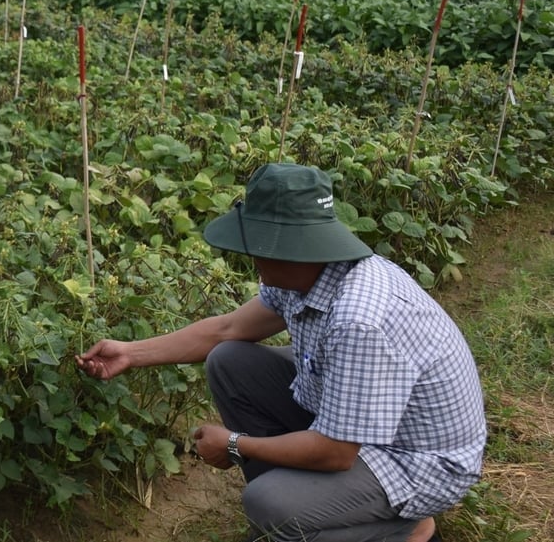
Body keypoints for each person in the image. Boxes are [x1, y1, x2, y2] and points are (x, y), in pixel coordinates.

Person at [77, 163, 486, 542]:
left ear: (287, 246)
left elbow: (336, 451)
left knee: (269, 504)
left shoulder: (359, 318)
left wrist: (235, 444)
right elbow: (227, 329)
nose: (249, 255)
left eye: (254, 242)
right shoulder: (305, 274)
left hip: (416, 461)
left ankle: (404, 527)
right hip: (366, 425)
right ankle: (312, 509)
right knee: (230, 360)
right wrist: (130, 353)